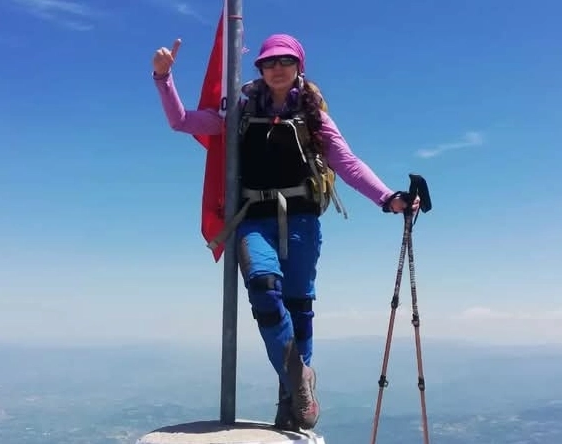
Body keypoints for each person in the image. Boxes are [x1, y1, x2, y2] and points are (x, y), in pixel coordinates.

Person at [151, 33, 420, 431]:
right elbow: (182, 121)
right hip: (253, 219)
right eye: (269, 62)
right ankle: (300, 378)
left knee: (299, 309)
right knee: (263, 287)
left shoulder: (313, 116)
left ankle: (291, 405)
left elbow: (347, 163)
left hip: (302, 221)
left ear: (299, 66)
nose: (277, 68)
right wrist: (163, 78)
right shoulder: (240, 110)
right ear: (259, 68)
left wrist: (388, 197)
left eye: (285, 61)